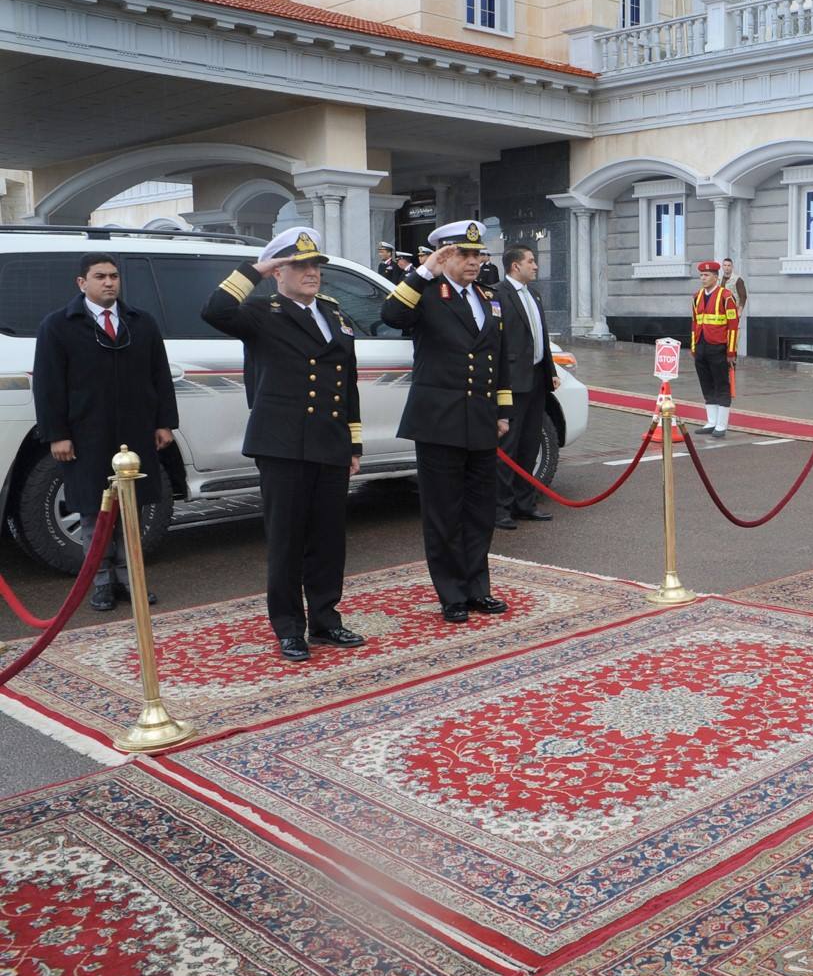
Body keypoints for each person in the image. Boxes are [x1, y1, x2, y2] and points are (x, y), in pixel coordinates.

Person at [201, 227, 367, 662]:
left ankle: (327, 619)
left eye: (315, 265)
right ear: (279, 272)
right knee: (287, 540)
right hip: (283, 445)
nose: (311, 273)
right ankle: (290, 627)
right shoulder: (261, 311)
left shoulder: (334, 313)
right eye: (300, 265)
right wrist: (254, 270)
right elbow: (214, 309)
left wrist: (354, 443)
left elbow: (346, 382)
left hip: (330, 443)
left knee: (329, 539)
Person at [381, 220, 512, 622]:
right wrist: (423, 271)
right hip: (439, 420)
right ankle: (451, 592)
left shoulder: (488, 297)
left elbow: (498, 356)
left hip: (480, 419)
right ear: (445, 256)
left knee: (479, 508)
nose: (474, 261)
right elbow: (391, 315)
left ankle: (477, 588)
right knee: (444, 512)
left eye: (478, 254)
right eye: (464, 254)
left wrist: (503, 410)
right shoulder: (426, 294)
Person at [32, 253, 178, 611]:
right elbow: (48, 385)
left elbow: (159, 375)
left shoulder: (140, 323)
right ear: (82, 283)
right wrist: (57, 434)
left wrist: (164, 423)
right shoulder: (58, 326)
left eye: (114, 276)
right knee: (93, 514)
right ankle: (100, 583)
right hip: (85, 436)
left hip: (134, 434)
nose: (109, 282)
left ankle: (132, 580)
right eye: (100, 276)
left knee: (132, 512)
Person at [493, 244, 559, 529]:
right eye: (530, 261)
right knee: (508, 447)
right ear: (514, 266)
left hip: (535, 380)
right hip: (512, 382)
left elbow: (540, 337)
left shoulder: (534, 294)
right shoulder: (497, 295)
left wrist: (550, 370)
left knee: (530, 445)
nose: (535, 266)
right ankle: (500, 509)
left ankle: (525, 503)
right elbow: (495, 343)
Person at [690, 261, 739, 438]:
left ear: (715, 277)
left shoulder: (726, 296)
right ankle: (711, 422)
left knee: (721, 385)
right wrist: (694, 347)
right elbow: (695, 323)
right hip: (701, 346)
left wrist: (731, 352)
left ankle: (721, 424)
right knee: (706, 384)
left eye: (707, 275)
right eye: (701, 275)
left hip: (718, 347)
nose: (703, 278)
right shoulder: (696, 296)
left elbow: (733, 326)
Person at [720, 256, 748, 356]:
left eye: (729, 265)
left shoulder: (737, 279)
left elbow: (743, 296)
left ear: (732, 267)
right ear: (722, 267)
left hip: (733, 311)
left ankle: (732, 361)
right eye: (725, 265)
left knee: (733, 337)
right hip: (721, 313)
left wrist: (740, 311)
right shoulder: (719, 280)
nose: (727, 267)